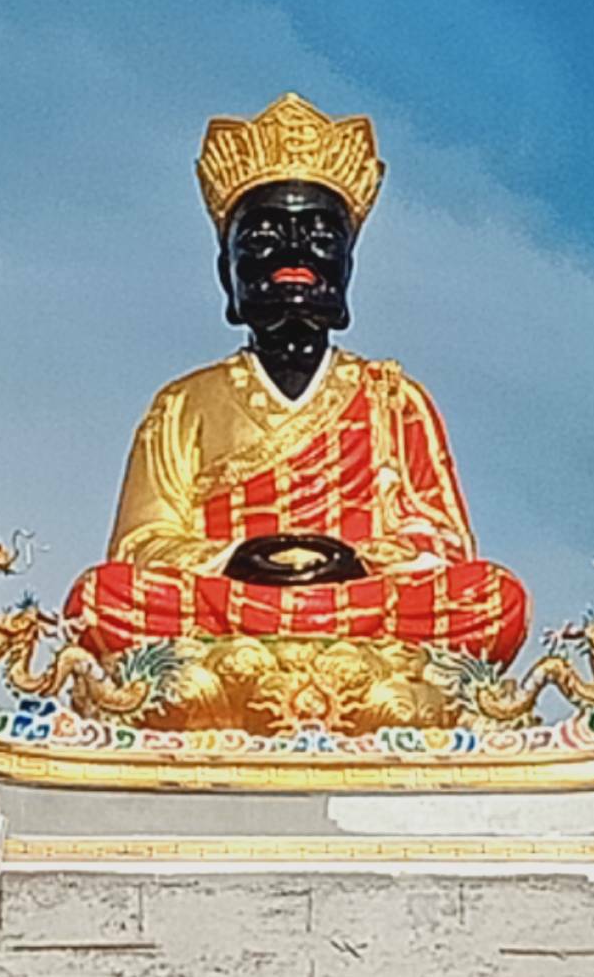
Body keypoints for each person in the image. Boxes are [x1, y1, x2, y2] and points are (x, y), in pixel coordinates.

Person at [62, 94, 529, 665]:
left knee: (492, 597)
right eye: (262, 237)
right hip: (230, 604)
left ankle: (302, 636)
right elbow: (140, 545)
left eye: (320, 237)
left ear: (347, 266)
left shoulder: (392, 399)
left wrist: (351, 561)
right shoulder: (182, 404)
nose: (293, 253)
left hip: (360, 602)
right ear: (226, 272)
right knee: (101, 599)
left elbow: (444, 545)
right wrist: (235, 559)